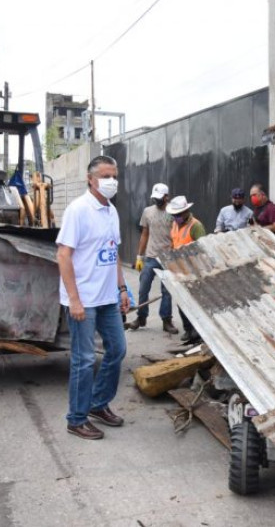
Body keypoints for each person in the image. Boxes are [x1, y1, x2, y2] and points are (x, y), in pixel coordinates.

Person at [56, 155, 129, 441]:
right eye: (106, 176)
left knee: (117, 350)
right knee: (84, 360)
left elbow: (114, 253)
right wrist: (74, 300)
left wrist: (122, 289)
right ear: (90, 179)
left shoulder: (112, 211)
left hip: (108, 299)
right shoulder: (78, 210)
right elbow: (63, 255)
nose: (112, 181)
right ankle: (76, 418)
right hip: (83, 300)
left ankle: (98, 404)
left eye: (115, 176)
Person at [126, 183, 178, 334]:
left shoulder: (173, 212)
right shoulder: (147, 212)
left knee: (166, 291)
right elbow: (144, 234)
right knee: (143, 289)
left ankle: (166, 320)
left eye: (159, 198)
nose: (156, 200)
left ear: (166, 197)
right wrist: (139, 257)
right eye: (155, 198)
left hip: (168, 258)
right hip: (151, 257)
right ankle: (141, 318)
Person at [166, 195, 206, 343]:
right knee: (181, 302)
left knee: (194, 304)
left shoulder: (196, 226)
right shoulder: (175, 224)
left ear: (186, 212)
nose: (176, 217)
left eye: (178, 215)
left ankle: (198, 332)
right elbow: (173, 243)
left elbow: (202, 248)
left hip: (192, 270)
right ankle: (188, 330)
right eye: (174, 215)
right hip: (179, 269)